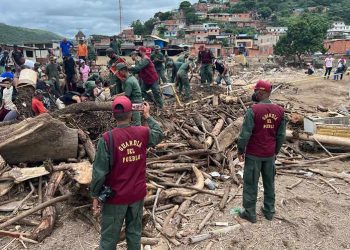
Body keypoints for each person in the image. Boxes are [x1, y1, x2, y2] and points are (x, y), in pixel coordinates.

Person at [90, 96, 164, 250]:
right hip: (136, 195)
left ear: (113, 116)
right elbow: (158, 133)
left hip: (116, 198)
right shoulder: (142, 133)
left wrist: (95, 195)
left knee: (109, 239)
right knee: (134, 234)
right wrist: (148, 116)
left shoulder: (108, 139)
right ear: (131, 114)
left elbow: (99, 172)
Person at [237, 80, 286, 223]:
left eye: (256, 92)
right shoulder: (280, 111)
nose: (254, 94)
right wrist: (275, 151)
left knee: (251, 183)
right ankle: (269, 211)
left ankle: (249, 213)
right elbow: (281, 135)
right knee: (269, 183)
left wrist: (241, 150)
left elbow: (245, 134)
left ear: (260, 92)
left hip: (254, 155)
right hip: (269, 155)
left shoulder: (253, 110)